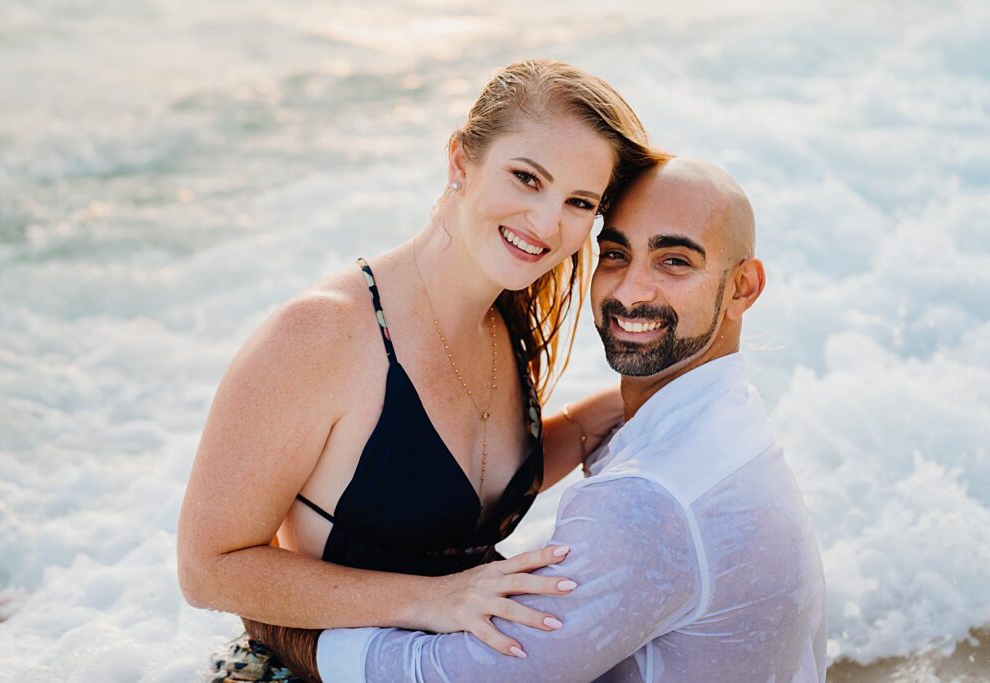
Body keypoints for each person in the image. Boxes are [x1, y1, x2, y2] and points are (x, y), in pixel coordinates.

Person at [176, 59, 672, 680]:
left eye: (579, 202)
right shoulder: (324, 332)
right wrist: (431, 600)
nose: (547, 225)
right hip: (311, 670)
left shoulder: (506, 317)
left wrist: (614, 410)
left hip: (447, 666)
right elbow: (207, 568)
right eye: (526, 178)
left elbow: (461, 494)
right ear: (461, 160)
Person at [303, 158, 828, 682]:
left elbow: (468, 677)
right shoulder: (732, 423)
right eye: (617, 254)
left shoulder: (649, 497)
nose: (631, 291)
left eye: (674, 262)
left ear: (743, 288)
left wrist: (295, 638)